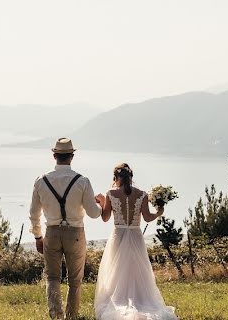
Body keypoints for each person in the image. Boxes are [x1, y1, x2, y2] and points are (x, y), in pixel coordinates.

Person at [29, 137, 105, 320]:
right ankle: (72, 317)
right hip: (75, 233)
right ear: (72, 156)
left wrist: (38, 237)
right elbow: (94, 214)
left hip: (52, 233)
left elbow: (33, 214)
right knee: (75, 281)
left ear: (54, 155)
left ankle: (56, 316)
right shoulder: (82, 181)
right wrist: (101, 204)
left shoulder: (41, 180)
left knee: (53, 278)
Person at [94, 163, 179, 320]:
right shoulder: (142, 194)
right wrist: (159, 213)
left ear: (115, 177)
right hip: (135, 235)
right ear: (131, 177)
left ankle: (118, 300)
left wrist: (100, 202)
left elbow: (105, 218)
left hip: (118, 235)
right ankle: (141, 299)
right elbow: (147, 217)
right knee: (137, 269)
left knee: (116, 270)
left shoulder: (110, 193)